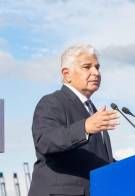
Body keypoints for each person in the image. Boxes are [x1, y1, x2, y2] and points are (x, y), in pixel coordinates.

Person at [28, 44, 120, 196]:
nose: (96, 72)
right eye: (87, 67)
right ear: (66, 74)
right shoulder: (52, 102)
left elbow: (96, 159)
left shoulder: (92, 110)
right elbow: (45, 141)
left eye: (97, 67)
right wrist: (84, 127)